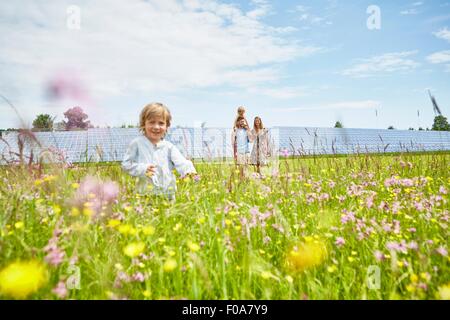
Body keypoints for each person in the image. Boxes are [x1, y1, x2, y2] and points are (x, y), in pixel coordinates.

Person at [122, 102, 196, 201]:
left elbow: (181, 162)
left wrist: (189, 172)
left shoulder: (169, 147)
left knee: (167, 216)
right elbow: (126, 164)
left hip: (167, 195)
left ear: (167, 126)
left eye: (161, 123)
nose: (156, 127)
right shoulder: (137, 144)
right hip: (145, 195)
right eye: (152, 122)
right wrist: (142, 169)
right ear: (144, 124)